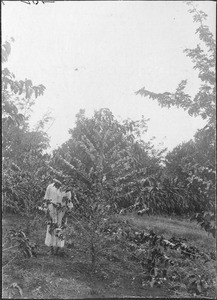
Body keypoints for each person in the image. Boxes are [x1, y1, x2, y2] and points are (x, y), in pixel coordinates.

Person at [43, 179, 73, 255]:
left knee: (60, 227)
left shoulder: (67, 190)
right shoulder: (50, 187)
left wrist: (67, 210)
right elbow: (46, 198)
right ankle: (51, 249)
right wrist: (46, 209)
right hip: (52, 210)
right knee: (51, 227)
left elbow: (69, 202)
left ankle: (58, 249)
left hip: (61, 212)